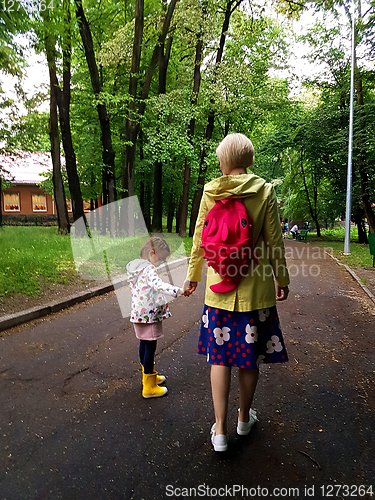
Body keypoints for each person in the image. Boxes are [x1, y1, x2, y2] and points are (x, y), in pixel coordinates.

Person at [185, 133, 290, 452]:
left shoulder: (211, 190)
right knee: (248, 359)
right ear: (249, 160)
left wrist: (193, 275)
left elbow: (200, 238)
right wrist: (281, 278)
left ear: (223, 161)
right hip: (255, 291)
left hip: (219, 291)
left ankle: (219, 430)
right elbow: (274, 241)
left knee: (219, 358)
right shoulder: (265, 191)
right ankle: (244, 419)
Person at [126, 236, 184, 399]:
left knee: (144, 344)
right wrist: (177, 290)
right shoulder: (148, 269)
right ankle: (149, 386)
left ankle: (148, 376)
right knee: (150, 345)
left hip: (138, 313)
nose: (162, 263)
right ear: (152, 253)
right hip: (149, 314)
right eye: (161, 259)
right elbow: (158, 285)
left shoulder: (135, 267)